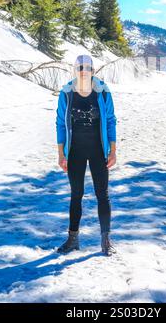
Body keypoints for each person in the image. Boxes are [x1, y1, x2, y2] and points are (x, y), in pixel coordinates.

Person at [55, 54, 117, 256]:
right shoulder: (66, 93)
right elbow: (60, 124)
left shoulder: (103, 91)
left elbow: (110, 121)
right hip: (75, 152)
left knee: (102, 194)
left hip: (98, 150)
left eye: (88, 67)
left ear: (93, 70)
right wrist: (61, 154)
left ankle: (106, 239)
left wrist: (113, 151)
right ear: (75, 69)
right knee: (76, 194)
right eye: (80, 67)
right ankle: (73, 239)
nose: (84, 71)